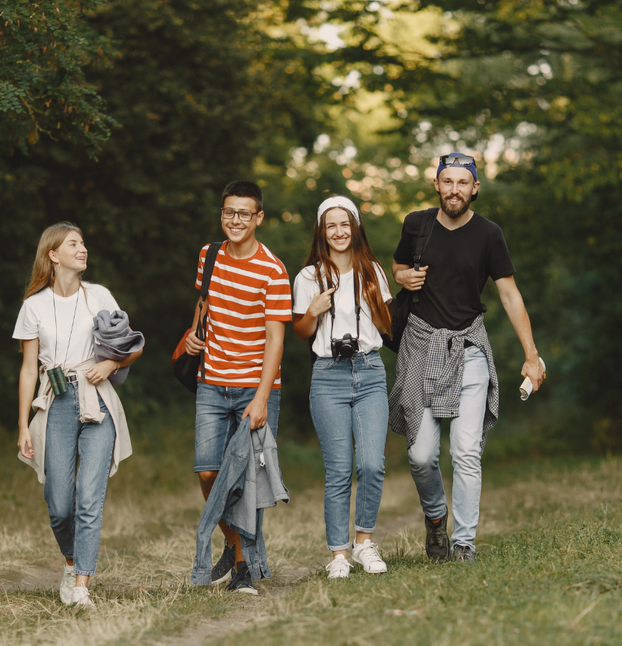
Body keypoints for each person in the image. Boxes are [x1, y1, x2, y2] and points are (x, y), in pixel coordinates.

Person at [390, 153, 546, 562]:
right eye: (447, 181)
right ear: (436, 185)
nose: (454, 190)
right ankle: (437, 520)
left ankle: (463, 544)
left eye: (463, 182)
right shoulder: (416, 224)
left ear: (475, 188)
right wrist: (401, 276)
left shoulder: (489, 234)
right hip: (421, 345)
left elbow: (509, 294)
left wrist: (532, 354)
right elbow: (398, 267)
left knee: (466, 451)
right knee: (421, 455)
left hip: (468, 348)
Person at [14, 223, 141, 610]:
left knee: (89, 497)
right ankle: (71, 562)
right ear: (53, 255)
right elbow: (28, 370)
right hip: (56, 402)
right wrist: (22, 424)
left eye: (84, 242)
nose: (83, 249)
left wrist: (111, 364)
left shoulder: (99, 295)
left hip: (96, 401)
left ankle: (83, 583)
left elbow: (132, 345)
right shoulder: (33, 305)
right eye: (74, 244)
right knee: (58, 503)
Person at [184, 181, 292, 594]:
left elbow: (276, 339)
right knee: (209, 472)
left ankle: (244, 570)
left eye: (244, 214)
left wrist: (263, 397)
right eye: (229, 212)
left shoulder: (273, 269)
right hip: (211, 382)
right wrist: (195, 334)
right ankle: (233, 545)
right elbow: (204, 303)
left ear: (259, 218)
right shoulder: (208, 255)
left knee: (247, 481)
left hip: (254, 387)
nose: (235, 220)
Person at [293, 196, 394, 579]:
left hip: (369, 370)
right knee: (338, 469)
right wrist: (315, 311)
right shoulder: (307, 278)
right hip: (328, 374)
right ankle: (338, 553)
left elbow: (387, 327)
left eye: (345, 224)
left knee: (371, 463)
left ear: (355, 228)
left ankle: (364, 542)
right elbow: (300, 331)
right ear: (322, 231)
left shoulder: (373, 271)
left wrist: (373, 299)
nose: (338, 232)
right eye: (330, 225)